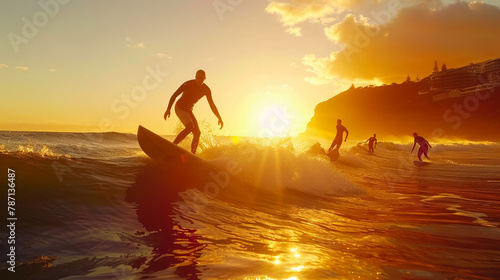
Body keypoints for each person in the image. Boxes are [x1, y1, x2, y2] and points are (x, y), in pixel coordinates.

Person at [164, 70, 223, 154]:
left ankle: (193, 154)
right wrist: (168, 109)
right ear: (195, 77)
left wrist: (219, 117)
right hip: (180, 107)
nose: (200, 79)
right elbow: (174, 95)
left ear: (205, 78)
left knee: (197, 133)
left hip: (188, 110)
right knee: (190, 127)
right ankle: (173, 145)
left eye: (202, 78)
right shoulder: (188, 84)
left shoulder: (206, 89)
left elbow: (212, 105)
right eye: (198, 77)